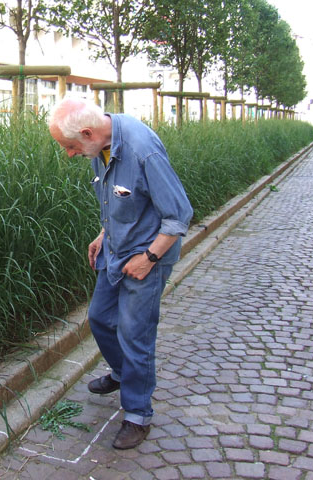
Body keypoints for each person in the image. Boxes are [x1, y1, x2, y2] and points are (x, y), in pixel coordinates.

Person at [48, 98, 193, 449]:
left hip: (147, 255)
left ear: (87, 133)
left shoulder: (143, 151)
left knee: (134, 332)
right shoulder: (100, 144)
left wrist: (149, 257)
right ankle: (123, 373)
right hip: (116, 250)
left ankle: (138, 414)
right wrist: (103, 234)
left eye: (70, 147)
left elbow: (179, 215)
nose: (69, 154)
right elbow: (121, 199)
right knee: (99, 317)